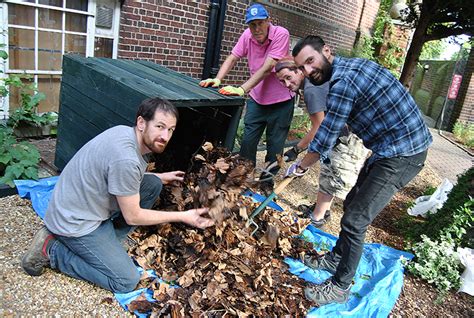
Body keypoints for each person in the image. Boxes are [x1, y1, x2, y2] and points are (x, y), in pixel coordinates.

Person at [286, 36, 432, 306]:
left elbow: (327, 133)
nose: (307, 71)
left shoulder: (343, 82)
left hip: (404, 153)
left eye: (310, 61)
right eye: (302, 67)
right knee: (352, 203)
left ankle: (341, 286)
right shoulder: (348, 68)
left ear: (327, 52)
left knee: (355, 220)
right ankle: (337, 258)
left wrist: (301, 166)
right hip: (388, 147)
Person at [21, 98, 215, 293]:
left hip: (74, 204)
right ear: (141, 123)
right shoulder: (127, 159)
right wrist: (183, 216)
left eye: (171, 129)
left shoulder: (125, 133)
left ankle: (107, 243)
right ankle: (52, 250)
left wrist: (159, 176)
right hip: (75, 222)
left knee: (153, 184)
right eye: (160, 126)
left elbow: (116, 171)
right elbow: (133, 215)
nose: (165, 136)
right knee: (126, 280)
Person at [199, 3, 295, 193]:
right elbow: (233, 57)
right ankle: (244, 181)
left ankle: (267, 185)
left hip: (281, 101)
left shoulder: (281, 34)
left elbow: (269, 67)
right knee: (247, 143)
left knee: (275, 148)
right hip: (257, 101)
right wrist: (218, 79)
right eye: (252, 25)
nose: (257, 29)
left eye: (260, 23)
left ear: (268, 21)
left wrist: (242, 89)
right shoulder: (247, 36)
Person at [275, 57, 369, 227]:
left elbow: (319, 127)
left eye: (289, 77)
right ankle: (321, 209)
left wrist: (297, 150)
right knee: (328, 172)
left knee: (332, 175)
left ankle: (317, 219)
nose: (287, 84)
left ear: (299, 71)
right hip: (346, 132)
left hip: (347, 137)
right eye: (282, 81)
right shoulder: (312, 84)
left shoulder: (311, 90)